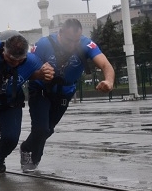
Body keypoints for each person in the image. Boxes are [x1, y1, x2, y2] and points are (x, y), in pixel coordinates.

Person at [19, 19, 114, 172]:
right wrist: (41, 73)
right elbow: (26, 69)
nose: (72, 46)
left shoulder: (85, 44)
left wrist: (108, 81)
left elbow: (105, 64)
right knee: (41, 128)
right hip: (41, 90)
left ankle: (28, 148)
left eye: (76, 41)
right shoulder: (44, 44)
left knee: (48, 130)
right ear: (60, 33)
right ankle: (30, 154)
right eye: (69, 41)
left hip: (64, 93)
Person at [0, 34, 54, 175]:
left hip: (10, 102)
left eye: (19, 61)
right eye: (11, 59)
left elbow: (44, 72)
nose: (15, 63)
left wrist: (47, 73)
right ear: (3, 50)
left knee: (11, 137)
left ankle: (0, 159)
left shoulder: (31, 60)